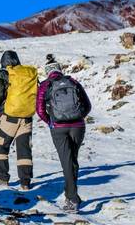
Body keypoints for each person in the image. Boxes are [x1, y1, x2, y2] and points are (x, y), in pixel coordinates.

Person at [36, 55, 92, 213]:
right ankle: (71, 195)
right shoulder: (73, 82)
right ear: (59, 69)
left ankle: (72, 199)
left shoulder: (45, 85)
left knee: (67, 162)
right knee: (73, 160)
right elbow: (87, 105)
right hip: (78, 126)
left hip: (58, 128)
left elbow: (40, 110)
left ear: (47, 72)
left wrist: (51, 122)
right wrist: (79, 118)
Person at [0, 50, 38, 190]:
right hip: (27, 117)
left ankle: (3, 177)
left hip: (9, 117)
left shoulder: (2, 74)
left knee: (2, 145)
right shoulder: (28, 73)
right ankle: (25, 182)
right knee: (24, 149)